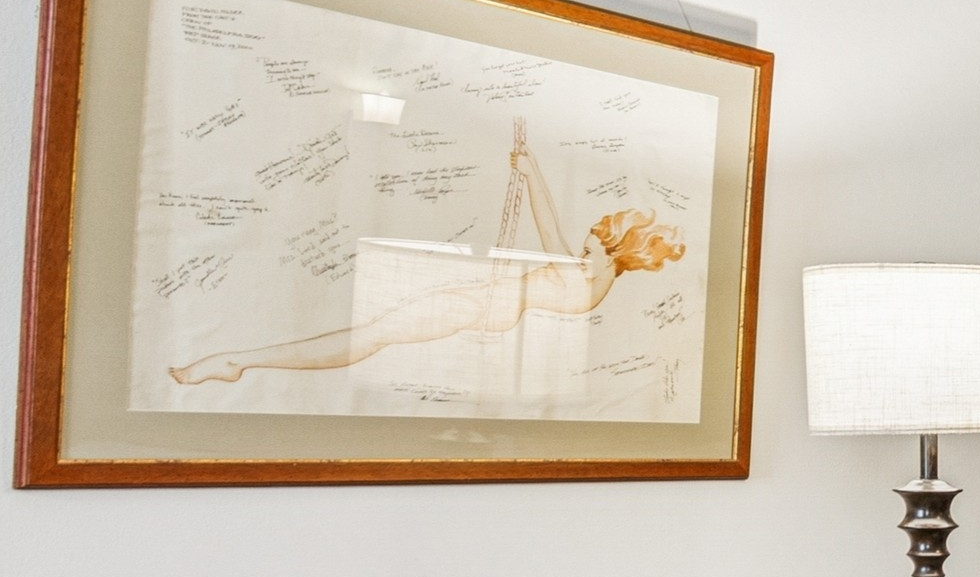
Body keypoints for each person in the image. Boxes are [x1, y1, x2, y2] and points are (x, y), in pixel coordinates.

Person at [169, 122, 684, 386]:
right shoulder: (598, 283)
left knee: (371, 336)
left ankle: (238, 362)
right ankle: (241, 361)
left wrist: (533, 174)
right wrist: (531, 170)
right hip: (484, 304)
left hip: (481, 306)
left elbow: (547, 227)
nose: (587, 234)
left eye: (596, 232)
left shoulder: (583, 275)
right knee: (374, 334)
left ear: (611, 246)